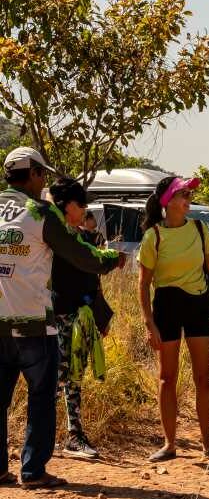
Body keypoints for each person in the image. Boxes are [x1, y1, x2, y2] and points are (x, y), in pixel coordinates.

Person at [0, 147, 124, 489]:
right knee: (41, 395)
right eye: (42, 176)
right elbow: (81, 255)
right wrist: (112, 258)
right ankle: (33, 470)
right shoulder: (41, 214)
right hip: (34, 322)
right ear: (36, 175)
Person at [138, 175, 209, 461]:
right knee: (167, 378)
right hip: (166, 307)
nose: (188, 198)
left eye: (189, 194)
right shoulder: (153, 235)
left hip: (197, 306)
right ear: (168, 201)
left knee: (204, 377)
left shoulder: (199, 229)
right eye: (182, 194)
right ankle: (170, 445)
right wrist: (149, 323)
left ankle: (207, 444)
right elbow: (143, 284)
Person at [49, 178, 120, 459]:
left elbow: (94, 281)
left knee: (74, 377)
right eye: (80, 205)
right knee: (58, 377)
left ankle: (74, 434)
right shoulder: (52, 239)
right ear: (67, 207)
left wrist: (100, 316)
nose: (84, 210)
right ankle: (44, 434)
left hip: (82, 316)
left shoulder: (85, 238)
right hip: (57, 316)